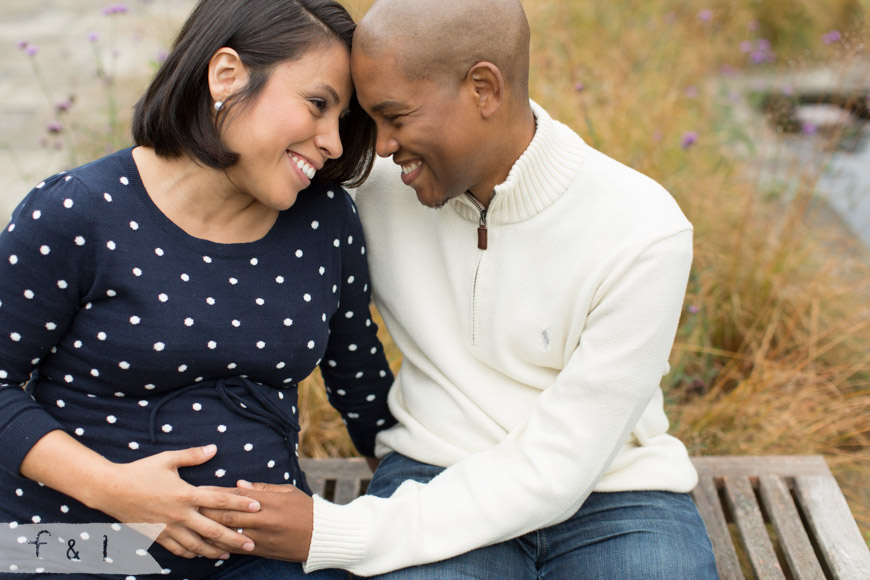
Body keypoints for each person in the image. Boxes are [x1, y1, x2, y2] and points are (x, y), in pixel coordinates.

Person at [202, 0, 719, 578]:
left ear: (483, 89)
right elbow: (223, 189)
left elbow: (562, 466)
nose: (379, 146)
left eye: (395, 117)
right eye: (370, 120)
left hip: (616, 492)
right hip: (432, 469)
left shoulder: (643, 229)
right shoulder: (370, 189)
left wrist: (337, 532)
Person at [0, 0, 396, 578]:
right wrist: (117, 491)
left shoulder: (324, 222)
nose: (334, 142)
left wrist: (421, 516)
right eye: (318, 104)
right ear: (227, 75)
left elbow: (364, 393)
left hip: (252, 556)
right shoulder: (77, 212)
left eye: (343, 121)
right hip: (69, 543)